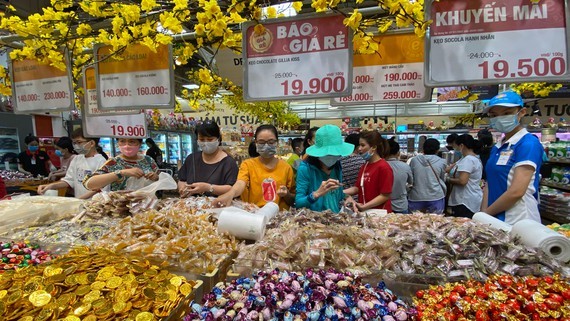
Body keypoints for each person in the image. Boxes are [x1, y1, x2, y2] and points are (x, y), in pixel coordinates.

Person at [481, 91, 543, 224]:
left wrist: (486, 214)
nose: (499, 118)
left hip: (519, 220)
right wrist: (483, 215)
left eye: (507, 113)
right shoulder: (498, 146)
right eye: (494, 115)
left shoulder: (528, 143)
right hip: (494, 218)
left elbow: (516, 191)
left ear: (521, 112)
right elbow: (489, 183)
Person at [213, 125, 295, 210]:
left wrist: (287, 194)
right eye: (261, 142)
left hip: (279, 219)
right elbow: (241, 183)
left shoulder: (286, 167)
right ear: (256, 143)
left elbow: (293, 199)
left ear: (277, 142)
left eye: (271, 142)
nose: (266, 146)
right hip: (254, 217)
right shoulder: (248, 165)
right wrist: (230, 194)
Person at [295, 125, 354, 213]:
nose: (331, 157)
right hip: (313, 221)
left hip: (335, 218)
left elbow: (339, 194)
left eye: (335, 153)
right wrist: (317, 194)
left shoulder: (337, 165)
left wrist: (347, 197)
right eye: (327, 154)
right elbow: (298, 202)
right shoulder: (305, 168)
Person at [38, 128, 107, 199]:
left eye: (79, 142)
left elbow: (101, 187)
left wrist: (80, 199)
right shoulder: (77, 159)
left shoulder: (101, 161)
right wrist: (51, 186)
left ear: (92, 143)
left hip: (94, 203)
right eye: (74, 143)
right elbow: (69, 180)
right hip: (79, 202)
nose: (76, 146)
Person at [177, 121, 238, 197]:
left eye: (210, 139)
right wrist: (182, 188)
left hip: (219, 206)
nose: (206, 143)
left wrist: (208, 188)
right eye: (202, 139)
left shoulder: (228, 163)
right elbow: (182, 179)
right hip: (192, 206)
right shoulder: (191, 159)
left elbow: (233, 189)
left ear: (218, 139)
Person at [83, 138, 159, 192]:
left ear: (139, 144)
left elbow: (162, 181)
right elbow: (89, 184)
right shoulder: (113, 162)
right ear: (117, 143)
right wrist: (121, 173)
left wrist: (156, 177)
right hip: (122, 207)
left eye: (132, 141)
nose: (127, 145)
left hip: (148, 207)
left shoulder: (148, 160)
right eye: (122, 141)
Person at [345, 130, 394, 213]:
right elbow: (357, 188)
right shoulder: (365, 166)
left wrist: (365, 207)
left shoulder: (384, 167)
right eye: (359, 145)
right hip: (366, 212)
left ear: (373, 147)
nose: (359, 148)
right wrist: (340, 192)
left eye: (362, 145)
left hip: (379, 214)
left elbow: (385, 195)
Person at [446, 134, 483, 218]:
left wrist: (447, 179)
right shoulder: (469, 158)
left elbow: (462, 181)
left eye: (455, 146)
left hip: (465, 200)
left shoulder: (468, 160)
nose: (455, 149)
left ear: (461, 146)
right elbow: (449, 169)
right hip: (468, 198)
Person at [408, 138, 447, 214]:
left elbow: (411, 178)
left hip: (416, 196)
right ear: (437, 149)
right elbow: (441, 178)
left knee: (414, 223)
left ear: (423, 148)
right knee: (435, 222)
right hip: (436, 196)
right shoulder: (442, 161)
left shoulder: (414, 160)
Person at [386, 139, 413, 213]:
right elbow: (411, 182)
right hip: (401, 205)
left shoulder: (379, 166)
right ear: (398, 153)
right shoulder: (405, 167)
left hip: (384, 205)